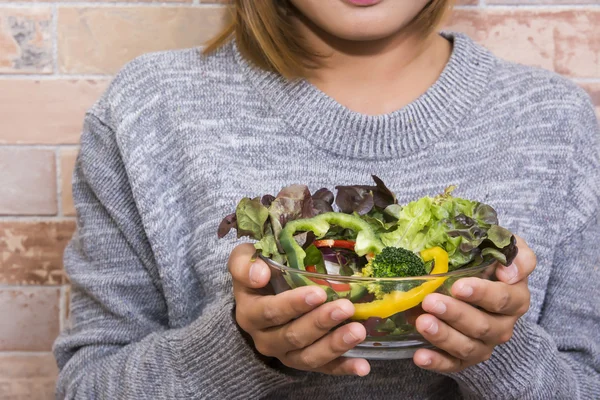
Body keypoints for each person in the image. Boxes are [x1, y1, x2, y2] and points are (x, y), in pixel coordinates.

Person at [53, 0, 600, 398]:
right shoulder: (147, 109)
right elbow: (87, 387)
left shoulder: (555, 120)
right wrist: (242, 346)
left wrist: (499, 351)